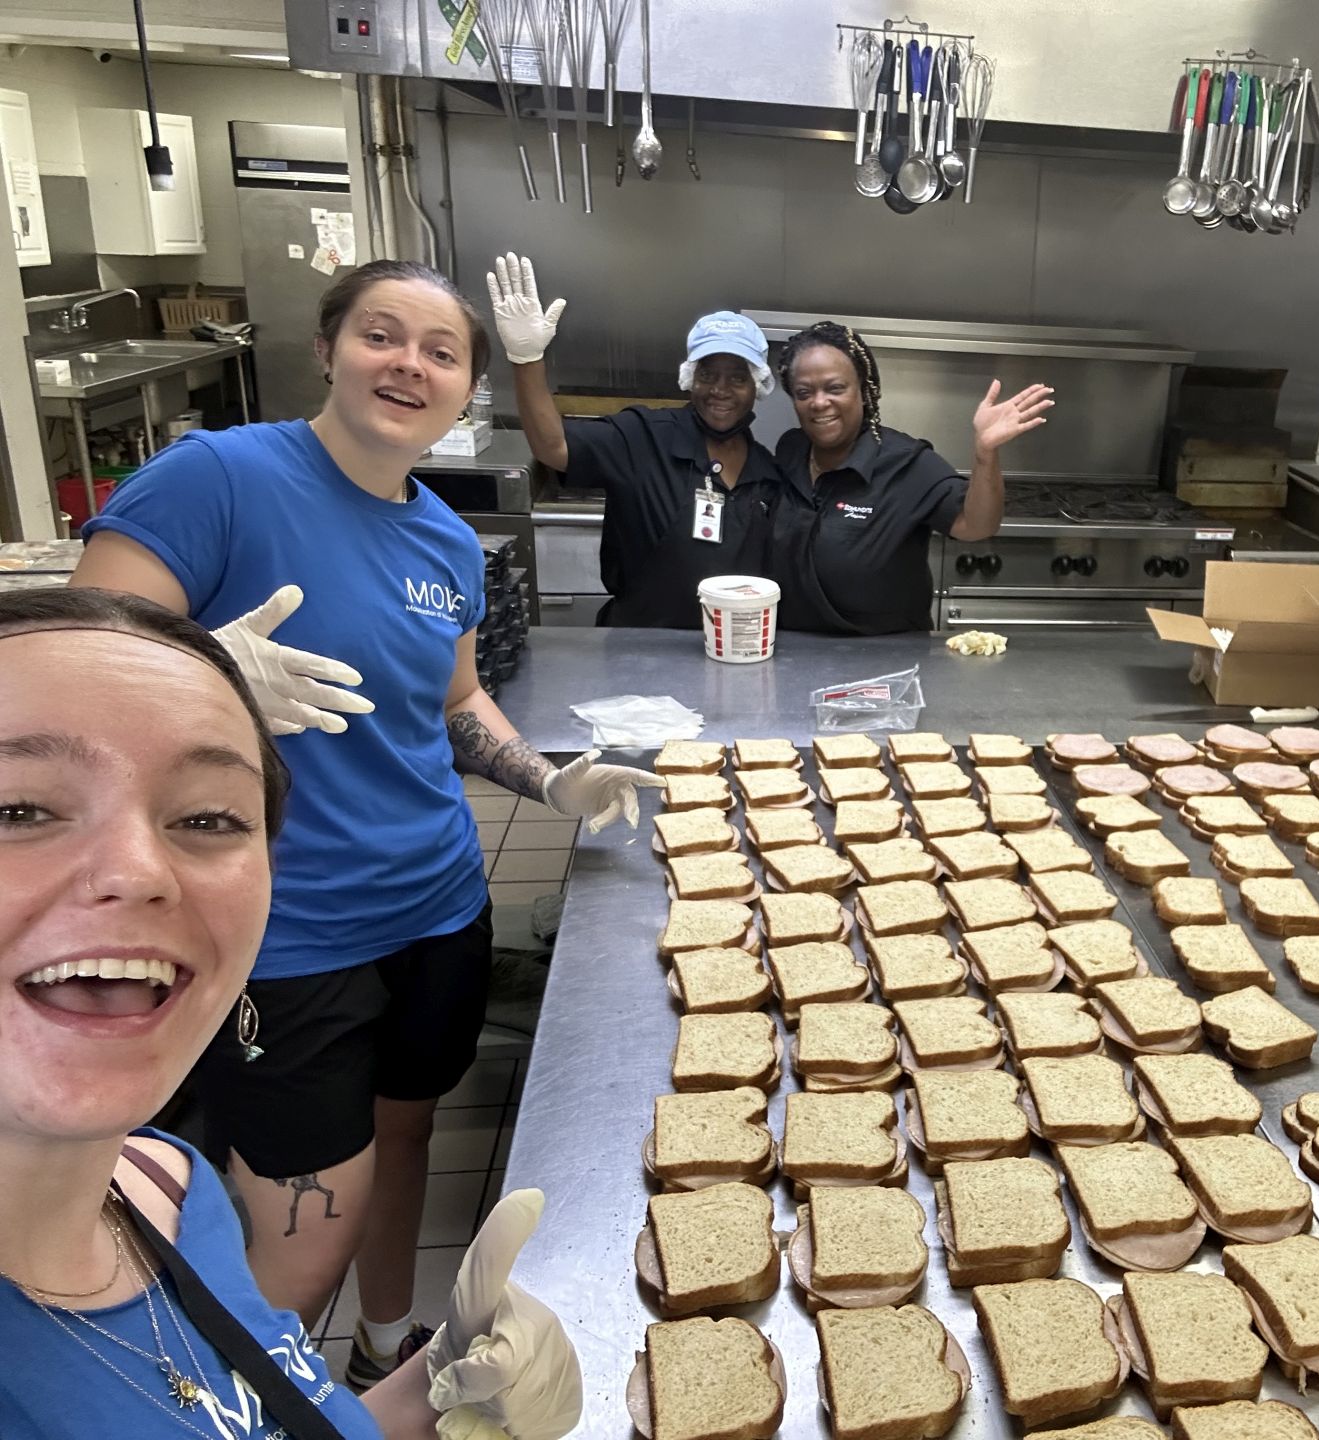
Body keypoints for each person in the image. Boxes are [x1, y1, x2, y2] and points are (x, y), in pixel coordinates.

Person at [65, 258, 657, 1386]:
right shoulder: (219, 479)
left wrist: (550, 783)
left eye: (441, 352)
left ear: (466, 388)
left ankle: (388, 1341)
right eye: (382, 336)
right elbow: (73, 666)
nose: (409, 364)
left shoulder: (442, 542)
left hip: (435, 904)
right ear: (330, 349)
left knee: (408, 1139)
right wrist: (204, 669)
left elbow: (456, 703)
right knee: (301, 1235)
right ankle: (222, 1404)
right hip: (287, 936)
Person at [0, 585, 580, 1440]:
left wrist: (426, 1396)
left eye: (208, 817)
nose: (140, 870)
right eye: (17, 809)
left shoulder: (169, 1192)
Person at [488, 252, 785, 627]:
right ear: (689, 377)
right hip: (637, 646)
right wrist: (526, 357)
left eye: (737, 378)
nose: (720, 390)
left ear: (756, 386)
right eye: (708, 375)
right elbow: (553, 447)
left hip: (729, 648)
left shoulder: (766, 473)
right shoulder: (642, 436)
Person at [766, 320, 1054, 634]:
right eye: (804, 392)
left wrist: (985, 453)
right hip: (794, 655)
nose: (819, 403)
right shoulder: (790, 452)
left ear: (864, 390)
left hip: (885, 664)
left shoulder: (906, 463)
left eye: (835, 388)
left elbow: (976, 525)